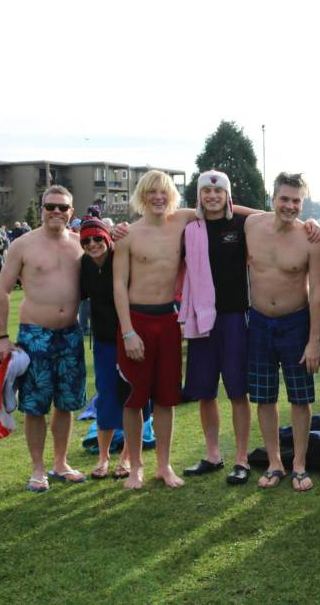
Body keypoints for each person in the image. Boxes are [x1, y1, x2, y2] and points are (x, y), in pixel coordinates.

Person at [0, 185, 87, 492]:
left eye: (63, 207)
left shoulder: (80, 244)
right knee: (35, 405)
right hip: (35, 336)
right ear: (42, 208)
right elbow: (4, 290)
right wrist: (3, 337)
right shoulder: (23, 245)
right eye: (51, 207)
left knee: (66, 402)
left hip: (70, 335)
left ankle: (60, 463)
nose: (56, 212)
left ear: (72, 211)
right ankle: (37, 468)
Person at [245, 172, 320, 492]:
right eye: (284, 199)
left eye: (296, 201)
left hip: (296, 321)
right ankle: (275, 462)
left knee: (300, 397)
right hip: (259, 320)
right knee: (264, 396)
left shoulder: (310, 238)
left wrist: (315, 340)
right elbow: (226, 208)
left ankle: (299, 463)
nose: (290, 206)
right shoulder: (252, 225)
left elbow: (317, 291)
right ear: (272, 198)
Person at [113, 170, 189, 490]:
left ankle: (164, 465)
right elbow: (118, 283)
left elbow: (225, 207)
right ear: (142, 197)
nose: (158, 197)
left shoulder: (182, 222)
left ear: (171, 196)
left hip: (168, 321)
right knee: (133, 398)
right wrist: (128, 331)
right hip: (136, 320)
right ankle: (135, 468)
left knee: (166, 399)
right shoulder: (128, 234)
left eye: (164, 192)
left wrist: (295, 221)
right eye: (151, 192)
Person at [179, 170, 254, 484]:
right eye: (206, 192)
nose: (212, 197)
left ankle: (241, 458)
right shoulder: (189, 228)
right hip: (201, 319)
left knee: (238, 391)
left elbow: (268, 215)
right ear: (199, 196)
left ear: (227, 196)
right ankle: (213, 454)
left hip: (235, 317)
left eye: (219, 192)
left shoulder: (241, 225)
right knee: (205, 392)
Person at [78, 216, 134, 480]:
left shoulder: (121, 257)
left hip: (130, 337)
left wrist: (125, 229)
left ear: (107, 238)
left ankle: (127, 458)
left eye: (98, 238)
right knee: (106, 396)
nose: (93, 244)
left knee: (132, 396)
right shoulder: (84, 266)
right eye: (86, 240)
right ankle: (103, 457)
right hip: (103, 341)